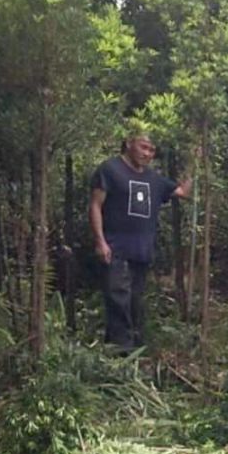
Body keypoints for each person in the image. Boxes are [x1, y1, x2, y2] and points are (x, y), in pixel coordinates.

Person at [89, 128, 190, 349]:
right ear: (129, 143)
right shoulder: (110, 169)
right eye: (144, 147)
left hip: (142, 251)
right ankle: (122, 353)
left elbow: (182, 192)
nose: (148, 153)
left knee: (134, 301)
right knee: (118, 298)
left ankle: (127, 348)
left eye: (152, 150)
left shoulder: (154, 179)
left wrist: (195, 163)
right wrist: (100, 241)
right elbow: (96, 205)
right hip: (115, 247)